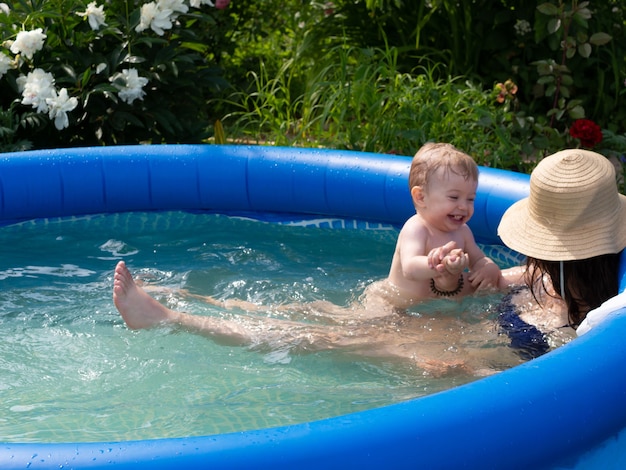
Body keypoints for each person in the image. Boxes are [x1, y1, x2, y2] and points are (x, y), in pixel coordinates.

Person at [112, 148, 626, 373]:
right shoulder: (542, 278)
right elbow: (486, 287)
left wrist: (463, 372)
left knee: (313, 335)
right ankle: (182, 307)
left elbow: (542, 379)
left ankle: (175, 315)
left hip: (443, 353)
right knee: (313, 323)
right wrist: (460, 282)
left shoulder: (584, 310)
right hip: (434, 335)